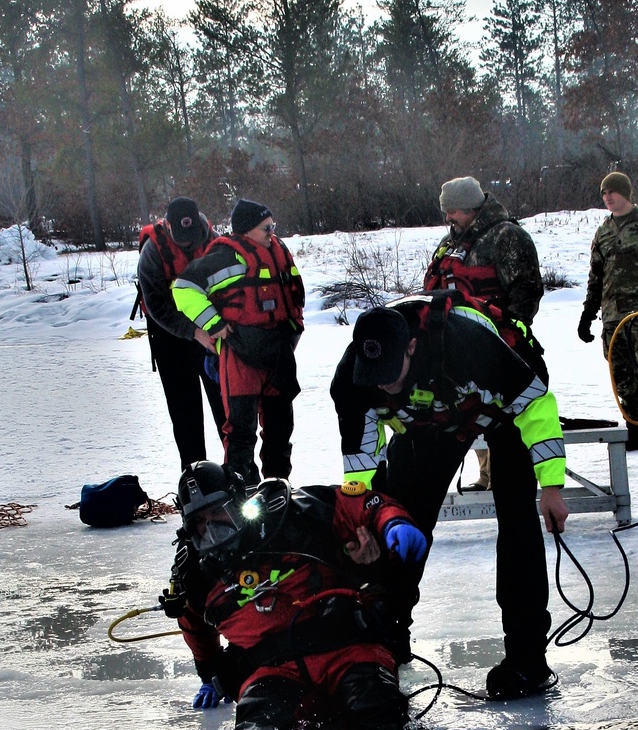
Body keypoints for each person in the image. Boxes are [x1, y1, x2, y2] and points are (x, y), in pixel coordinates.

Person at [330, 295, 569, 699]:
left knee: (518, 525)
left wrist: (552, 485)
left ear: (411, 347)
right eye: (376, 376)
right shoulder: (356, 379)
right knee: (399, 519)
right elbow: (361, 461)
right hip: (430, 421)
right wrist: (365, 516)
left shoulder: (465, 343)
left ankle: (527, 658)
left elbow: (535, 405)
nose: (383, 383)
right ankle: (386, 636)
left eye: (391, 373)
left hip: (504, 408)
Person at [161, 461, 426, 730]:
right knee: (259, 727)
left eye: (218, 514)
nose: (211, 529)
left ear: (239, 502)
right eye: (199, 522)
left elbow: (359, 506)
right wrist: (208, 671)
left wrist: (393, 523)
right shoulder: (194, 573)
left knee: (376, 710)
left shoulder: (294, 513)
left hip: (345, 648)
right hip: (271, 670)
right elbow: (192, 623)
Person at [424, 176, 544, 490]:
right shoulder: (450, 242)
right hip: (454, 353)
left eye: (453, 212)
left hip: (500, 349)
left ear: (472, 208)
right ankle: (485, 471)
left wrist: (509, 335)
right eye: (446, 212)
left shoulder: (507, 236)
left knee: (506, 426)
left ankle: (514, 482)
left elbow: (526, 291)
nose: (448, 218)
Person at [171, 199, 304, 483]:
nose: (272, 232)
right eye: (265, 227)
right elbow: (184, 288)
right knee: (241, 432)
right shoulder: (227, 258)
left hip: (278, 352)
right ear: (246, 231)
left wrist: (293, 331)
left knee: (280, 431)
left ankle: (278, 490)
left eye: (272, 226)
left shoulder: (278, 251)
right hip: (241, 354)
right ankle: (240, 497)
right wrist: (213, 324)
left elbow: (293, 295)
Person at [577, 171, 638, 453]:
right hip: (613, 318)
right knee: (623, 381)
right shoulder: (603, 231)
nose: (608, 197)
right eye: (604, 193)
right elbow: (596, 276)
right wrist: (588, 314)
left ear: (626, 193)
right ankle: (633, 432)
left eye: (612, 192)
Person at [136, 197, 225, 469]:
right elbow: (157, 306)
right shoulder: (152, 252)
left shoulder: (213, 241)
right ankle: (195, 478)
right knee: (185, 417)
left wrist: (217, 329)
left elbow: (228, 289)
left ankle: (241, 474)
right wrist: (191, 331)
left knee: (227, 411)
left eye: (193, 236)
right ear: (169, 226)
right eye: (182, 237)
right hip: (169, 336)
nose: (189, 242)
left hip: (211, 334)